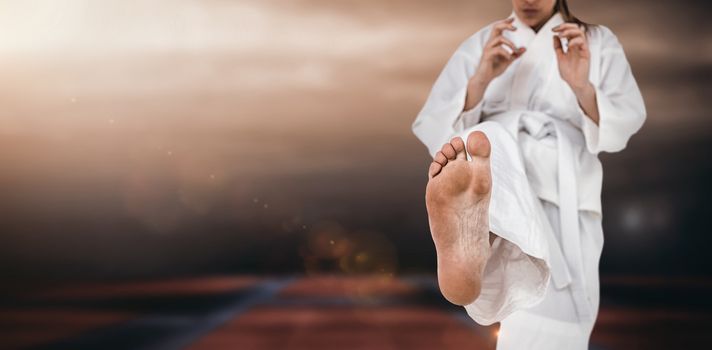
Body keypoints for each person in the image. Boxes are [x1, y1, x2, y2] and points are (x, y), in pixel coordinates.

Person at [411, 0, 646, 348]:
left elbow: (627, 120)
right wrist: (480, 80)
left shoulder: (596, 41)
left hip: (563, 186)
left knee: (553, 316)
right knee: (486, 141)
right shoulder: (482, 44)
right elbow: (434, 125)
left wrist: (581, 86)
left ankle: (476, 244)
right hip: (501, 180)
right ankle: (473, 222)